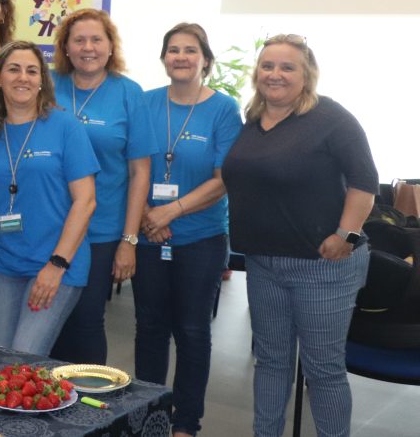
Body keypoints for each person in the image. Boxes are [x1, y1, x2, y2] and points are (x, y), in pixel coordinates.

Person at [222, 34, 376, 437]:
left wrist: (346, 235)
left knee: (323, 370)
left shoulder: (332, 118)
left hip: (322, 266)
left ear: (307, 74)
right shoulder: (253, 119)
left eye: (287, 67)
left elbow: (365, 182)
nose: (275, 74)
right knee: (271, 362)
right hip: (263, 262)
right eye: (267, 65)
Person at [134, 23, 243, 437]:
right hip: (149, 235)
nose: (180, 56)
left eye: (190, 50)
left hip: (202, 239)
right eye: (173, 49)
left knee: (193, 332)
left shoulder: (224, 109)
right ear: (164, 59)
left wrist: (170, 212)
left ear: (205, 60)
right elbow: (132, 167)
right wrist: (148, 214)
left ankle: (185, 424)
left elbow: (223, 178)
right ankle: (148, 417)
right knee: (150, 328)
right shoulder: (145, 103)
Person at [49, 8, 156, 365]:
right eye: (78, 40)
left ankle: (87, 395)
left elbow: (140, 172)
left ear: (111, 46)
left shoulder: (129, 93)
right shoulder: (47, 86)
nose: (88, 47)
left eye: (97, 39)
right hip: (48, 225)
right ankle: (49, 393)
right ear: (65, 47)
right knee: (46, 319)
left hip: (101, 231)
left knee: (86, 320)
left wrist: (129, 241)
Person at [0, 40, 98, 354]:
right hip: (3, 263)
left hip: (56, 262)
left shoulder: (65, 126)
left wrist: (56, 265)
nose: (23, 77)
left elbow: (86, 201)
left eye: (32, 71)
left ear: (42, 80)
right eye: (14, 69)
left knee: (23, 357)